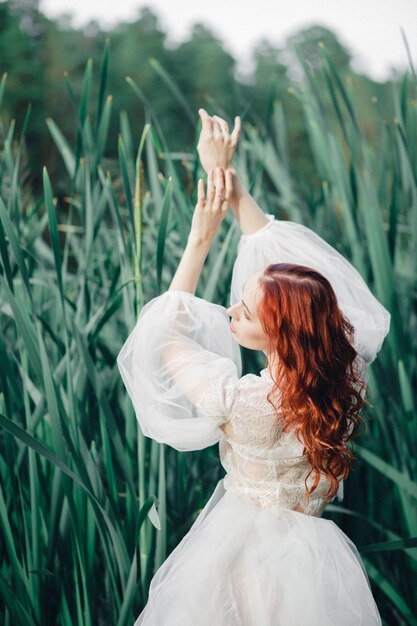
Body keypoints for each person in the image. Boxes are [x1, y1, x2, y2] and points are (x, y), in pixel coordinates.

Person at [117, 109, 390, 625]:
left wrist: (200, 237)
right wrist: (232, 187)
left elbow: (166, 333)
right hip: (312, 561)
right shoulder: (343, 372)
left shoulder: (242, 403)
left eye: (245, 312)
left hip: (239, 559)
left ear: (281, 333)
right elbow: (309, 274)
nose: (230, 313)